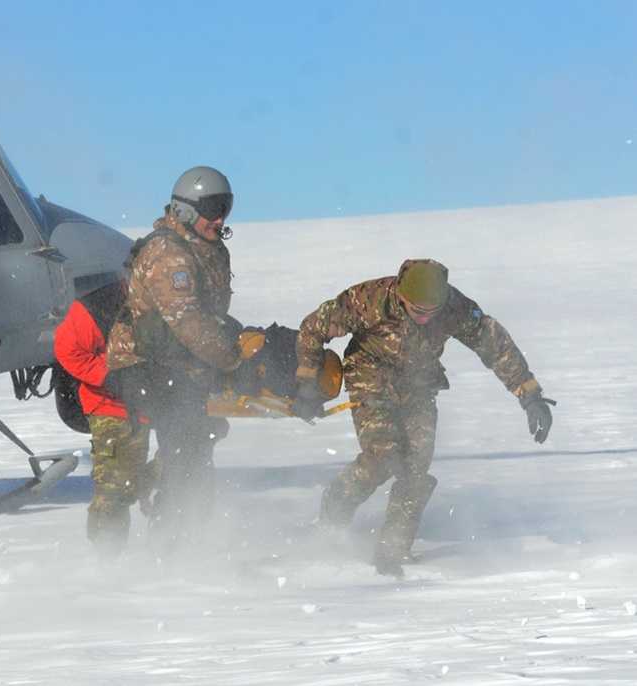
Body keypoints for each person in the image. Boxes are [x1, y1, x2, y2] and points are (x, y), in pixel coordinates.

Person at [293, 259, 554, 576]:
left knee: (416, 465)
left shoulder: (452, 306)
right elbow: (313, 327)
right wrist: (307, 381)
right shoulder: (369, 300)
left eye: (432, 312)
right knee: (383, 456)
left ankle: (393, 552)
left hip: (419, 383)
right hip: (370, 376)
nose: (425, 317)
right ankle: (332, 517)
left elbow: (492, 342)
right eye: (418, 310)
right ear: (401, 296)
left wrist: (529, 394)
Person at [105, 165, 241, 553]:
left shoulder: (211, 250)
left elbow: (211, 316)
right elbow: (190, 323)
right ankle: (170, 545)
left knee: (200, 440)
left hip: (180, 363)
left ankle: (191, 531)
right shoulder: (168, 253)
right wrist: (232, 359)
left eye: (226, 207)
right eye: (213, 207)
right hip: (141, 366)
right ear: (185, 210)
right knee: (186, 441)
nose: (220, 218)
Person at [53, 279, 154, 556]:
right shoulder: (100, 306)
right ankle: (106, 561)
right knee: (112, 491)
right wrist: (112, 377)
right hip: (110, 406)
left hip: (149, 407)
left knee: (135, 480)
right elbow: (67, 349)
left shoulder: (176, 305)